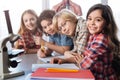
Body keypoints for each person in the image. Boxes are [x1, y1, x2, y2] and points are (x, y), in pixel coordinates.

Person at [51, 4, 119, 80]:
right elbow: (83, 56)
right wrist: (63, 60)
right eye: (89, 19)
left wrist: (81, 60)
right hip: (93, 76)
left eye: (98, 20)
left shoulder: (101, 39)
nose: (92, 23)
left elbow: (85, 65)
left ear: (107, 23)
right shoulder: (93, 36)